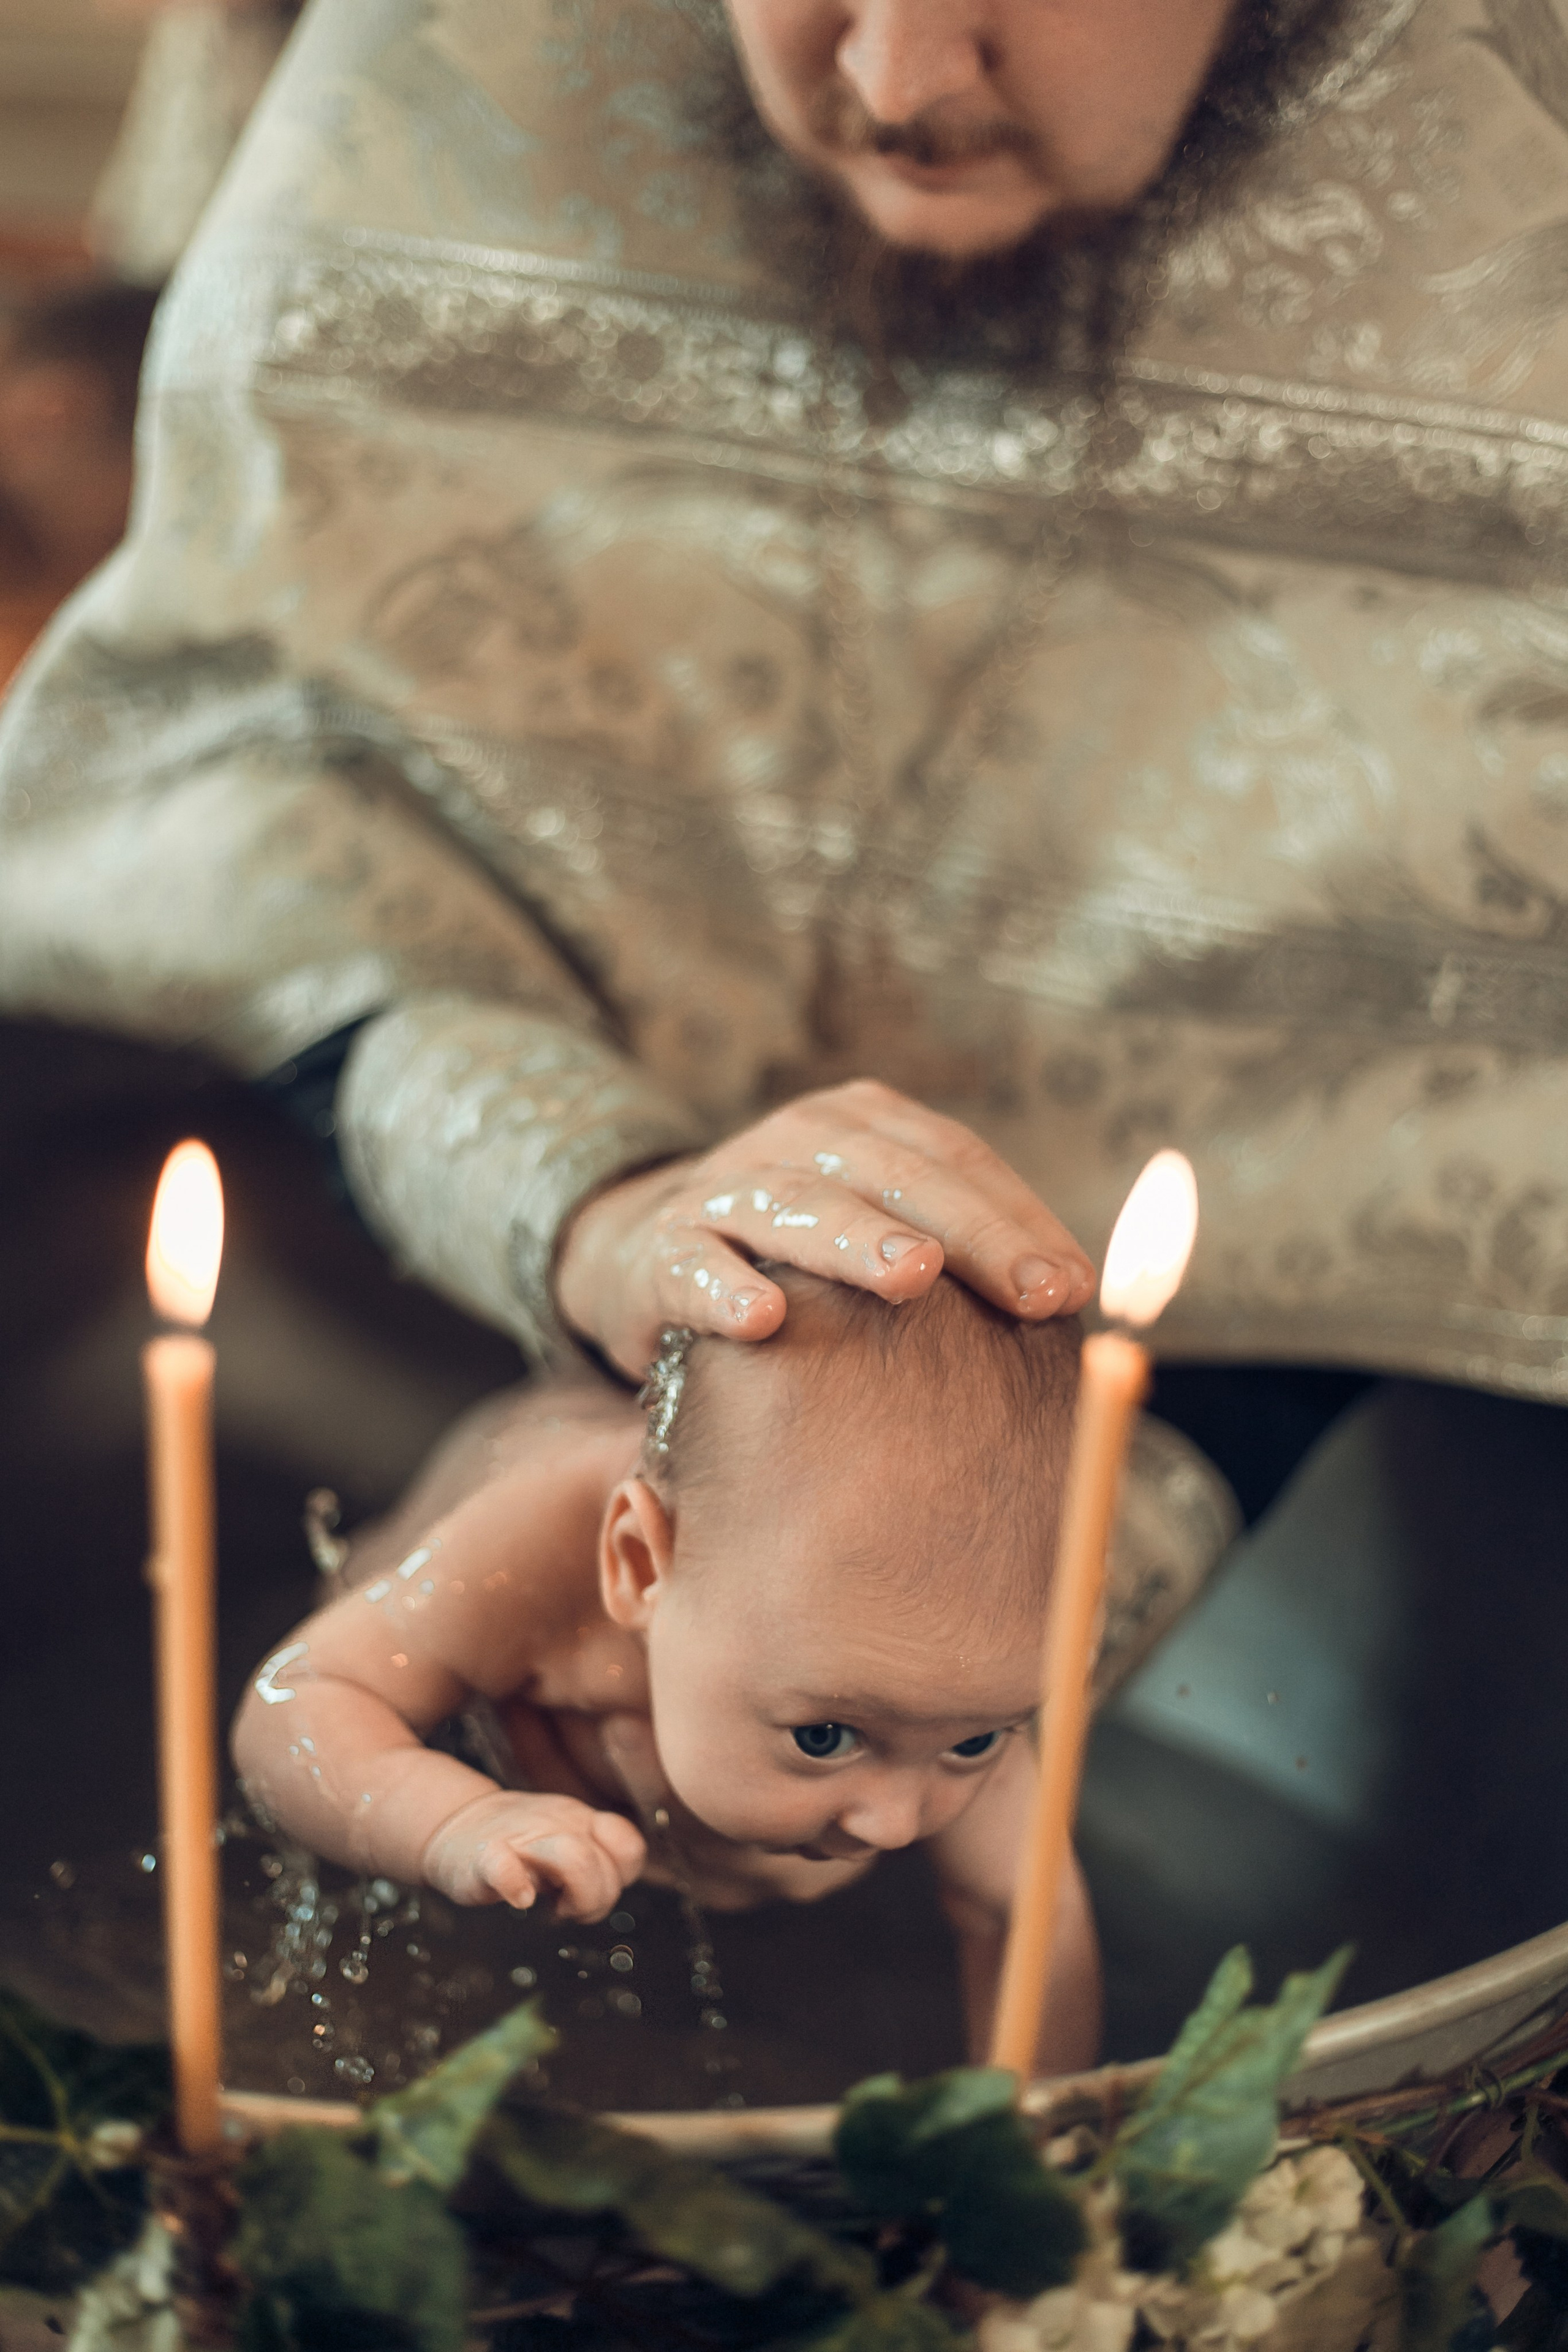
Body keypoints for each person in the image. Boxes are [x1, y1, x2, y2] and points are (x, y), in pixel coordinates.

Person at [1, 0, 1563, 1417]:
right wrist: (598, 1220)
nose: (893, 75)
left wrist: (908, 1554)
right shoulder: (461, 93)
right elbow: (264, 868)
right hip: (421, 1342)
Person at [232, 1273, 1102, 2073]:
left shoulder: (926, 1672)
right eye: (824, 1736)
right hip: (448, 1558)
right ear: (641, 1568)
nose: (893, 1824)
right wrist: (454, 1822)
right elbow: (300, 1699)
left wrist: (1035, 2145)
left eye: (976, 1742)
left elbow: (1027, 1913)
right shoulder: (530, 1553)